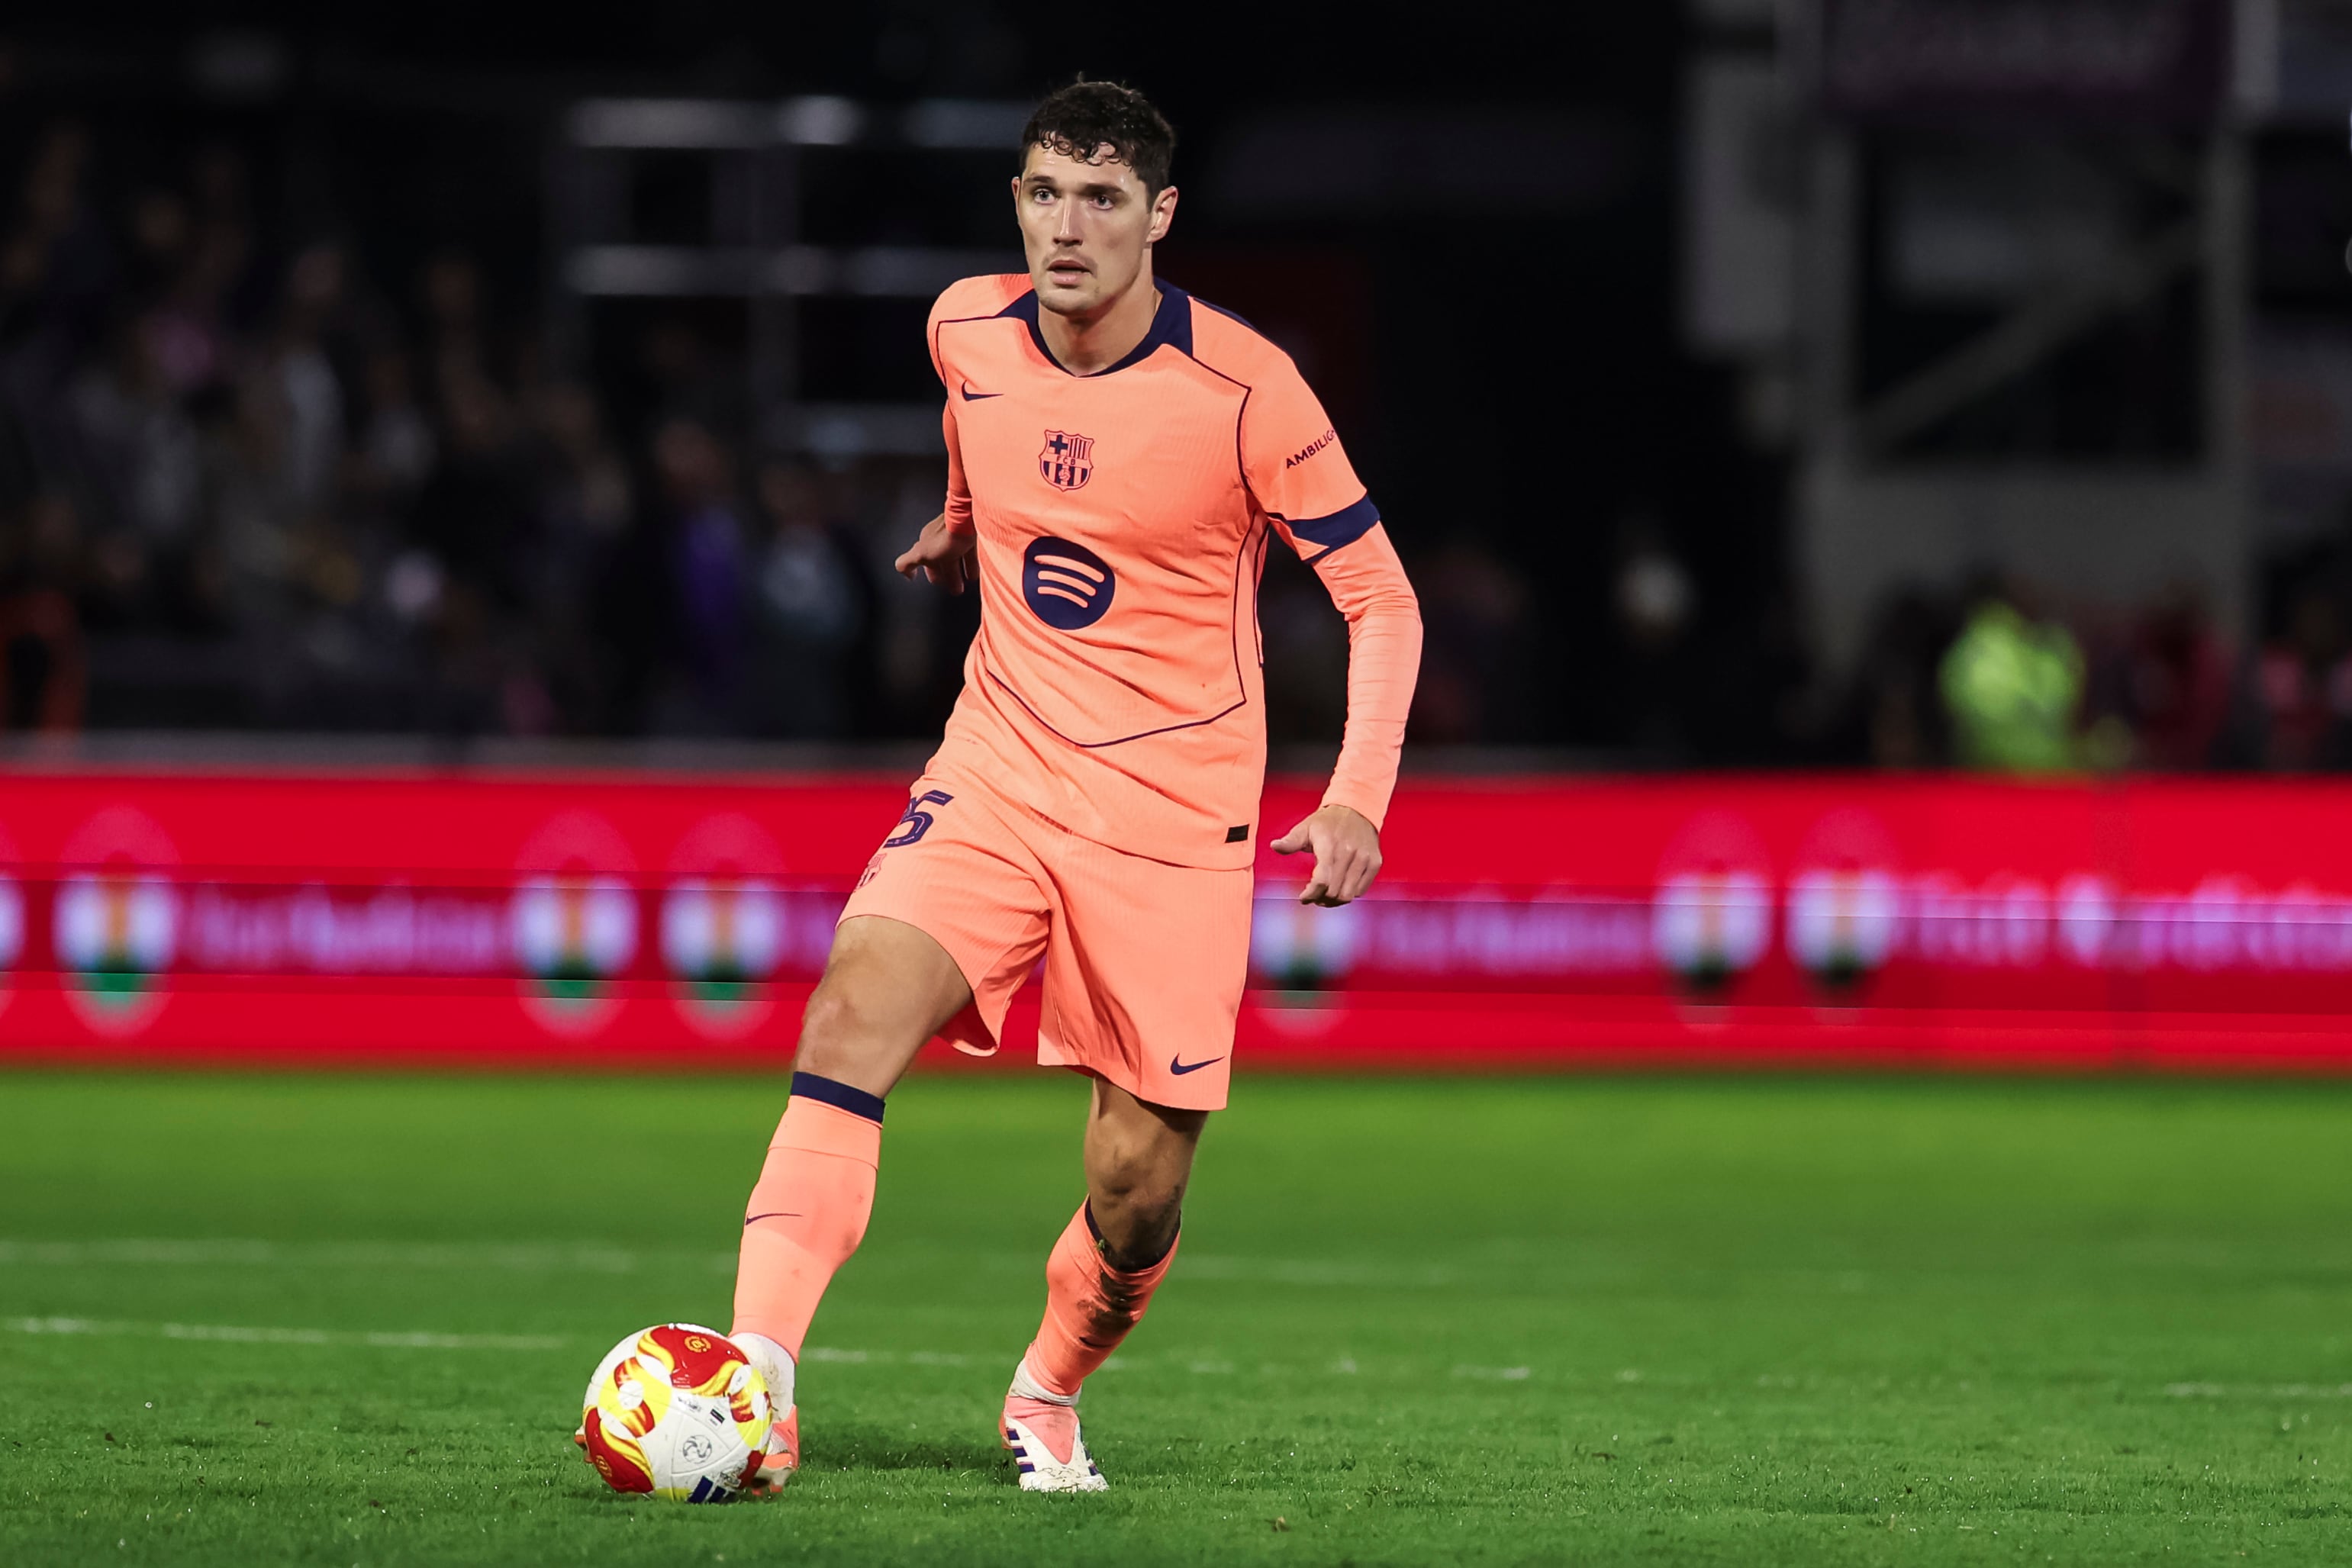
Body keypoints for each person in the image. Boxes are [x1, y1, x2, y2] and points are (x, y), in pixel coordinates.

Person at [722, 80, 1421, 1494]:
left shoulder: (1246, 389)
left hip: (1172, 817)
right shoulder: (962, 324)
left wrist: (1356, 796)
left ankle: (1047, 1390)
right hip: (1002, 761)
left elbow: (1383, 601)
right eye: (1044, 192)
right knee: (853, 1000)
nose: (1067, 226)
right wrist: (964, 523)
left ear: (1158, 217)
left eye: (1102, 199)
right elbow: (983, 430)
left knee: (1135, 1186)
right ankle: (752, 1389)